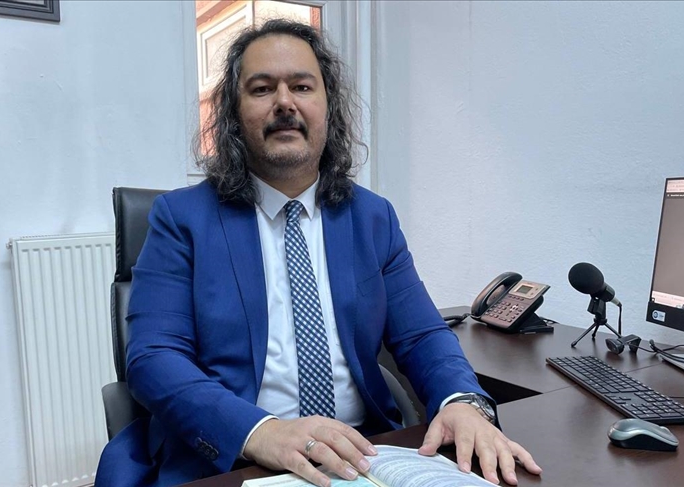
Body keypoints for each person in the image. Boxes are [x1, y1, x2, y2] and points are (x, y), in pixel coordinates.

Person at [96, 18, 541, 487]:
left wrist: (461, 402)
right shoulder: (182, 218)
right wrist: (260, 432)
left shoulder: (372, 217)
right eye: (262, 89)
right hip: (237, 458)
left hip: (363, 454)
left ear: (328, 107)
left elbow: (422, 336)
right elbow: (153, 356)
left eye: (302, 86)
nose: (285, 102)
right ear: (233, 114)